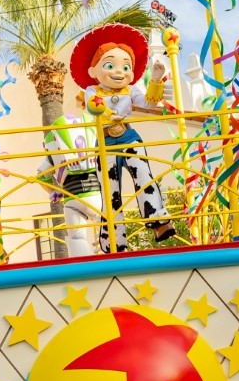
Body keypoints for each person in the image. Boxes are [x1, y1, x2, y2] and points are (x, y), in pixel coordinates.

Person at [69, 24, 176, 251]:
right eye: (110, 65)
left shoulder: (131, 90)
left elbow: (148, 102)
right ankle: (114, 244)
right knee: (110, 191)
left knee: (144, 175)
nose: (119, 72)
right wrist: (108, 113)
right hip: (105, 143)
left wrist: (156, 80)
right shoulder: (93, 90)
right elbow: (91, 105)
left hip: (128, 136)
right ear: (93, 71)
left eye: (126, 67)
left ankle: (159, 222)